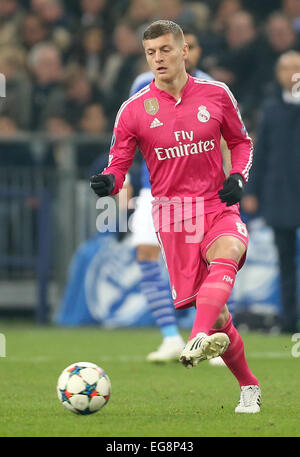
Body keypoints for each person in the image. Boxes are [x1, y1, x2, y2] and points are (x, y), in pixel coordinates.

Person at [90, 20, 261, 413]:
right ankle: (248, 384)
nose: (158, 59)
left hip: (217, 204)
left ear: (185, 51)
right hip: (173, 215)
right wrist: (108, 181)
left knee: (229, 249)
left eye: (166, 50)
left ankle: (195, 338)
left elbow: (240, 141)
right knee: (218, 313)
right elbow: (119, 162)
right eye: (151, 53)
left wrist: (238, 175)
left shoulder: (216, 94)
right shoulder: (133, 109)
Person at [127, 28, 224, 363]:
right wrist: (123, 178)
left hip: (200, 195)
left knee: (208, 265)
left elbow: (227, 140)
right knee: (146, 255)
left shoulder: (212, 88)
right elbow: (128, 137)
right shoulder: (143, 83)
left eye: (190, 46)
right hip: (152, 188)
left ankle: (211, 336)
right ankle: (170, 336)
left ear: (188, 51)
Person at [242, 50, 300, 334]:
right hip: (281, 195)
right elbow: (260, 153)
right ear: (278, 75)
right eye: (286, 68)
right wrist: (252, 191)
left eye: (296, 67)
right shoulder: (271, 109)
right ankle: (290, 320)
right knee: (285, 261)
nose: (291, 73)